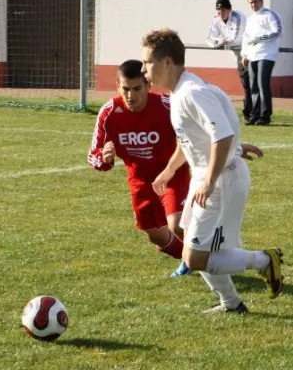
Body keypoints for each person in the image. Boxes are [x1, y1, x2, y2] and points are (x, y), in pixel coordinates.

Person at [142, 28, 283, 314]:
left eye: (147, 62)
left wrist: (210, 179)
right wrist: (169, 172)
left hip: (220, 181)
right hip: (208, 177)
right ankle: (231, 303)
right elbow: (195, 137)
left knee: (195, 257)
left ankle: (265, 261)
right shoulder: (182, 91)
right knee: (186, 234)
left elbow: (222, 135)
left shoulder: (192, 93)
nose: (144, 69)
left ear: (167, 62)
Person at [87, 60, 264, 278]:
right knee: (156, 236)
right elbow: (93, 154)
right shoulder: (109, 113)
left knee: (178, 224)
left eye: (136, 89)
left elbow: (206, 131)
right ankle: (195, 260)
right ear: (117, 86)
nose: (131, 95)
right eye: (125, 89)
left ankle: (214, 262)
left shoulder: (167, 105)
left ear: (147, 85)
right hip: (140, 181)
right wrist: (104, 159)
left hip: (173, 174)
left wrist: (235, 149)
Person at [206, 0, 252, 122]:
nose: (220, 12)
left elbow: (236, 38)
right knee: (246, 82)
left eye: (223, 9)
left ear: (229, 9)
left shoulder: (237, 17)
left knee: (250, 82)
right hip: (239, 53)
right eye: (219, 10)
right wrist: (219, 42)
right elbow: (210, 39)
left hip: (249, 51)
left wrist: (223, 41)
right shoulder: (216, 19)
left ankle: (253, 113)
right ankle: (250, 113)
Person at [241, 0, 283, 126]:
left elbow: (277, 31)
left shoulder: (270, 14)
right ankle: (254, 115)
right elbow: (246, 38)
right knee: (253, 86)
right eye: (251, 3)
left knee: (262, 84)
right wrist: (244, 54)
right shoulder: (250, 19)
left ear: (261, 2)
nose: (253, 5)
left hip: (267, 54)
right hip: (253, 55)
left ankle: (265, 116)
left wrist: (260, 38)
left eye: (255, 2)